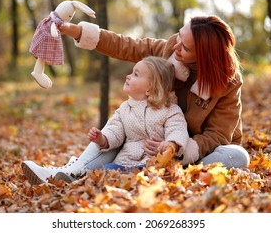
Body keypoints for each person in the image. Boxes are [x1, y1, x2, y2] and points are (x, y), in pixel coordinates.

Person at [21, 15, 250, 185]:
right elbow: (126, 46)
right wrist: (75, 30)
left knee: (238, 156)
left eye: (186, 48)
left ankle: (173, 174)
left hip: (193, 148)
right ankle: (69, 173)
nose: (176, 46)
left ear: (204, 56)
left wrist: (175, 149)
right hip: (147, 134)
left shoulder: (227, 82)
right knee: (119, 126)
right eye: (179, 36)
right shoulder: (168, 50)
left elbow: (218, 135)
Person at [22, 56, 190, 184]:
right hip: (126, 162)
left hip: (154, 165)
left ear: (150, 89)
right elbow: (115, 129)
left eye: (135, 74)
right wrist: (102, 139)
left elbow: (178, 129)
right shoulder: (125, 108)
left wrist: (171, 145)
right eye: (131, 72)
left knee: (118, 175)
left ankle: (74, 177)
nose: (128, 76)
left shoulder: (170, 110)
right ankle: (71, 177)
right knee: (106, 171)